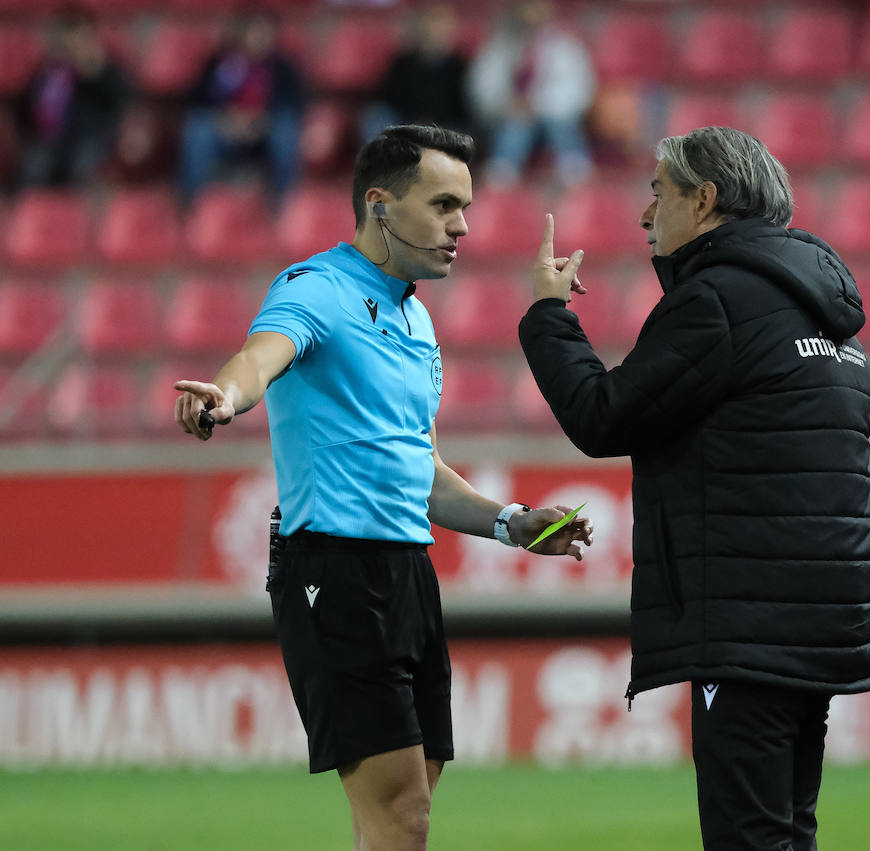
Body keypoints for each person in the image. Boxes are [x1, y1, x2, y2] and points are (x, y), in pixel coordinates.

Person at [172, 124, 593, 850]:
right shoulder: (318, 288)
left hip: (407, 571)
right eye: (441, 204)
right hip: (334, 571)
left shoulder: (416, 318)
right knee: (402, 814)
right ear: (380, 205)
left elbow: (421, 474)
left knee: (408, 814)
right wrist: (224, 398)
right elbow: (258, 358)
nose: (461, 224)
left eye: (464, 205)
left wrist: (512, 522)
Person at [518, 126, 870, 850]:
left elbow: (602, 417)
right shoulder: (827, 309)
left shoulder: (719, 303)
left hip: (750, 624)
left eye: (657, 194)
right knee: (787, 829)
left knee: (750, 838)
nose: (646, 216)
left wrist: (550, 315)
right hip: (823, 617)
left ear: (704, 200)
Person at [177, 10, 305, 205]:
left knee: (286, 131)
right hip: (223, 129)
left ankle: (284, 202)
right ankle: (190, 202)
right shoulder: (219, 64)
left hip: (264, 130)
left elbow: (294, 104)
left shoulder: (282, 68)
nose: (259, 37)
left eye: (264, 32)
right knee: (198, 130)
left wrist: (262, 121)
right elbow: (198, 100)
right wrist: (223, 119)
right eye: (253, 31)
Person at [468, 0, 596, 186]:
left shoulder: (564, 46)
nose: (531, 16)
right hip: (511, 119)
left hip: (553, 119)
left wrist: (538, 104)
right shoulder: (499, 46)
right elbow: (482, 88)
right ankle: (502, 174)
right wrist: (507, 104)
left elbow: (579, 90)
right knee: (516, 125)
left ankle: (574, 171)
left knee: (561, 126)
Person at [15, 9, 126, 188]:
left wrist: (94, 72)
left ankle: (78, 214)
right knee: (35, 163)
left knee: (82, 164)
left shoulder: (105, 69)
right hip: (50, 138)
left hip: (90, 137)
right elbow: (27, 106)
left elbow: (121, 101)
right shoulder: (49, 70)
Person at [360, 3, 477, 143]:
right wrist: (413, 122)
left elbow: (463, 110)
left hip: (444, 128)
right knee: (376, 116)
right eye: (429, 24)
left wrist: (433, 124)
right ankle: (380, 163)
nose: (433, 30)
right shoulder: (402, 62)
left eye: (439, 25)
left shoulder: (459, 66)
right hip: (405, 123)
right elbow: (388, 98)